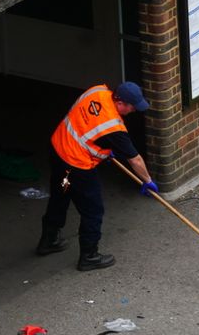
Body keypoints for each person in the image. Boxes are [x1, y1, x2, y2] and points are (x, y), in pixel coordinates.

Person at [36, 81, 157, 271]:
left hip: (59, 152)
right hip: (77, 166)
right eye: (132, 107)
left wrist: (103, 148)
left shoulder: (96, 91)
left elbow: (84, 122)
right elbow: (135, 160)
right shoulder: (113, 127)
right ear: (121, 103)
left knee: (61, 194)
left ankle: (48, 240)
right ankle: (89, 256)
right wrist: (147, 181)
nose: (133, 111)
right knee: (93, 211)